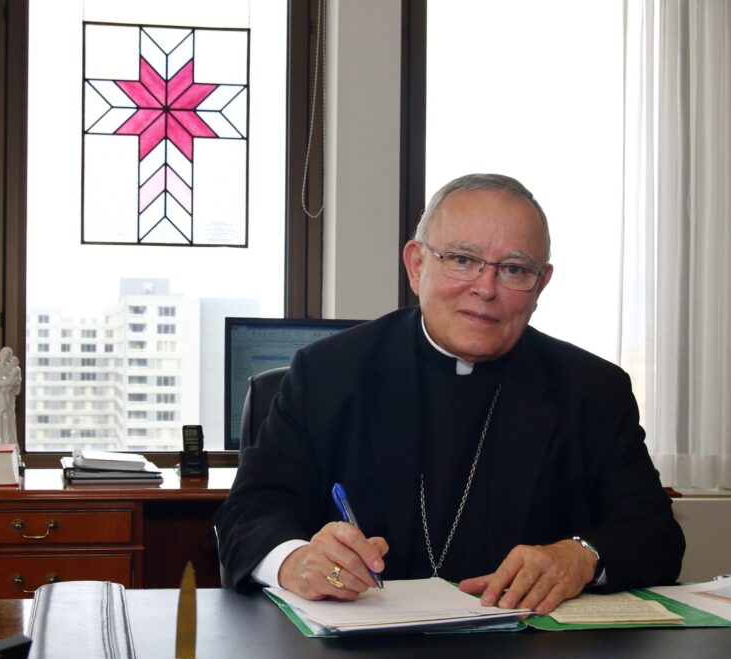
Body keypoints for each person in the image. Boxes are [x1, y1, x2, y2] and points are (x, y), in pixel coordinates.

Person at [214, 173, 684, 615]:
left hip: (527, 655)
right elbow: (250, 513)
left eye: (515, 270)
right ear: (417, 266)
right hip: (357, 655)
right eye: (462, 260)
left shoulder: (592, 389)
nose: (485, 288)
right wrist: (295, 561)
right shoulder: (327, 373)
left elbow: (655, 534)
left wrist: (581, 556)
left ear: (540, 285)